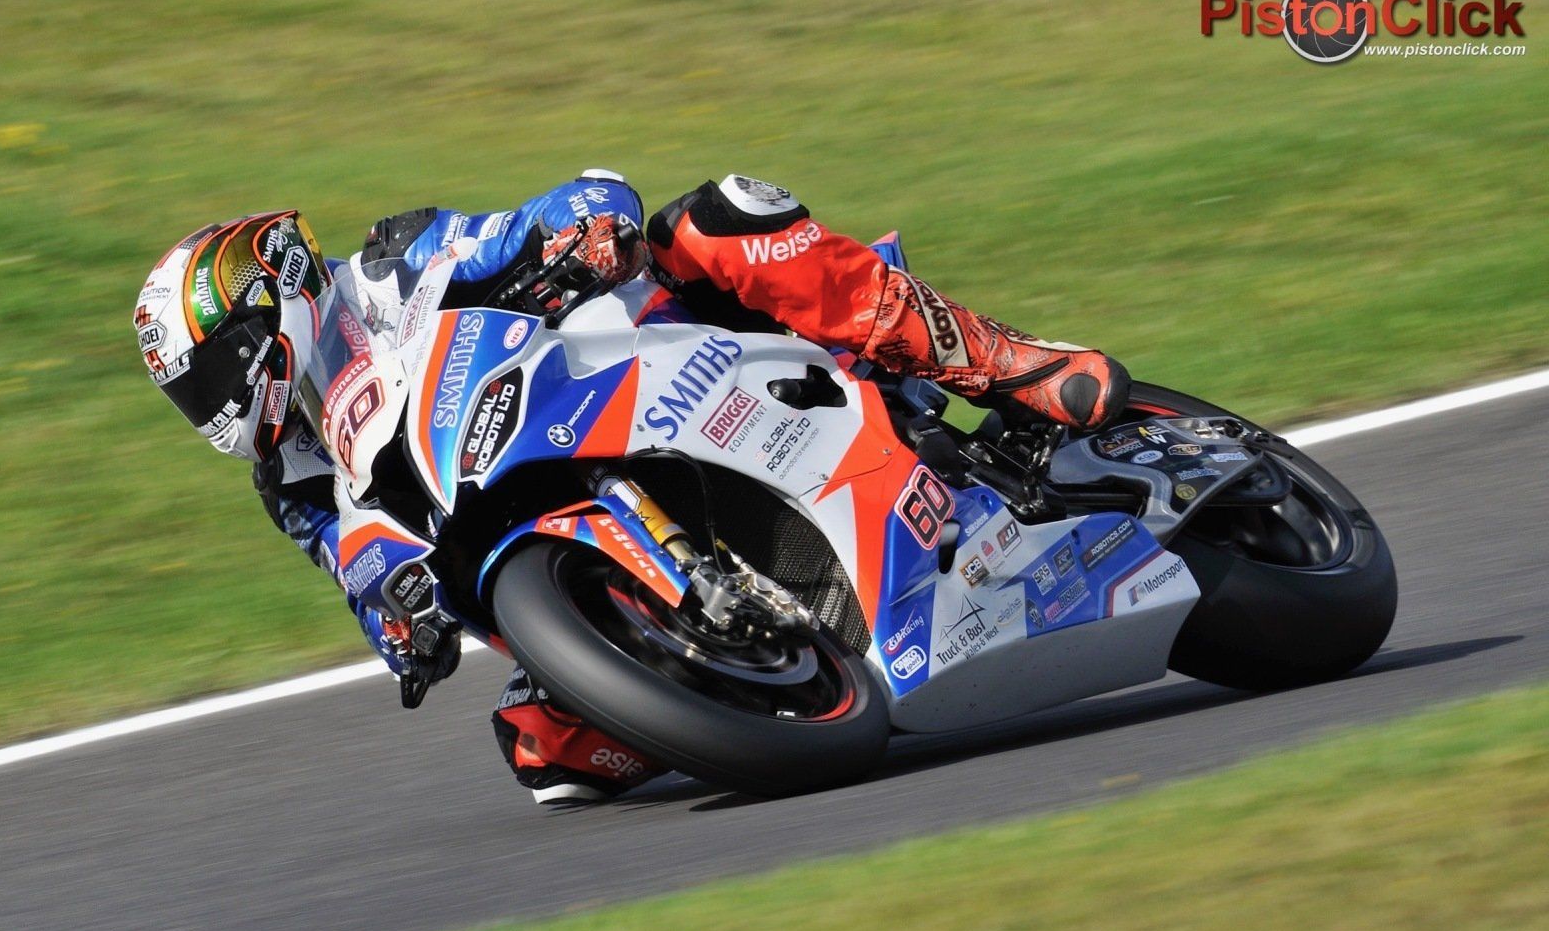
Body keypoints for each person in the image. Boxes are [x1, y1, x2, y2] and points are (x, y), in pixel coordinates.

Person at [133, 171, 1128, 803]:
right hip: (529, 510)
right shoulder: (295, 478)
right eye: (193, 396)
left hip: (644, 368)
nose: (216, 406)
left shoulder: (395, 268)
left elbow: (563, 205)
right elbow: (361, 566)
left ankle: (1008, 361)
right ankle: (743, 666)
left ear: (277, 301)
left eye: (217, 371)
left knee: (718, 219)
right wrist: (400, 621)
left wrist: (580, 233)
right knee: (546, 753)